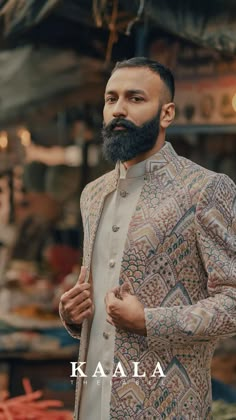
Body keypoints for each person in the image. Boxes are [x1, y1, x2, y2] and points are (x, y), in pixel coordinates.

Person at [59, 57, 236, 420]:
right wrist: (75, 315)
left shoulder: (204, 189)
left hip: (167, 408)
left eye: (135, 99)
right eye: (111, 99)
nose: (119, 109)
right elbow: (94, 288)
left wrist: (150, 320)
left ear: (166, 113)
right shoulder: (93, 194)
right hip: (91, 401)